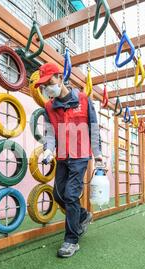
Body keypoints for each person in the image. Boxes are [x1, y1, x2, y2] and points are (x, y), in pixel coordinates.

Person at [33, 63, 103, 258]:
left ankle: (71, 240)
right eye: (43, 85)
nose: (47, 88)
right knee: (58, 195)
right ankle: (82, 215)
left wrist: (98, 154)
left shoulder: (82, 99)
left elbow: (93, 127)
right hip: (62, 155)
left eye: (50, 82)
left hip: (80, 155)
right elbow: (49, 132)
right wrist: (48, 150)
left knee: (71, 194)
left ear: (60, 77)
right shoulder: (49, 106)